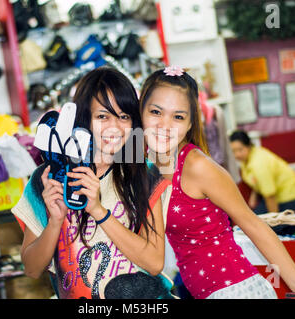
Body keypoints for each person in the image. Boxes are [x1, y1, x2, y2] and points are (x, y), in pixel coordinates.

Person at [139, 66, 295, 299]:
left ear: (190, 124)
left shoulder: (198, 166)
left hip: (236, 291)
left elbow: (253, 224)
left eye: (178, 117)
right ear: (140, 111)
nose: (165, 125)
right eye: (156, 112)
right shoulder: (147, 163)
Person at [11, 66, 174, 299]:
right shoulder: (48, 178)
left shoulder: (144, 175)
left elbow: (154, 263)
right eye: (102, 116)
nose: (115, 127)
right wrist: (55, 221)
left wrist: (98, 211)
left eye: (124, 117)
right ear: (83, 119)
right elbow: (32, 269)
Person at [229, 130, 295, 214]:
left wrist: (274, 220)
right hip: (273, 194)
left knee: (268, 223)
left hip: (288, 193)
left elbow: (270, 195)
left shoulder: (259, 163)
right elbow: (256, 179)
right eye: (234, 151)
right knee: (256, 218)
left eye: (240, 150)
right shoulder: (247, 158)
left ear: (249, 146)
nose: (237, 155)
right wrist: (254, 195)